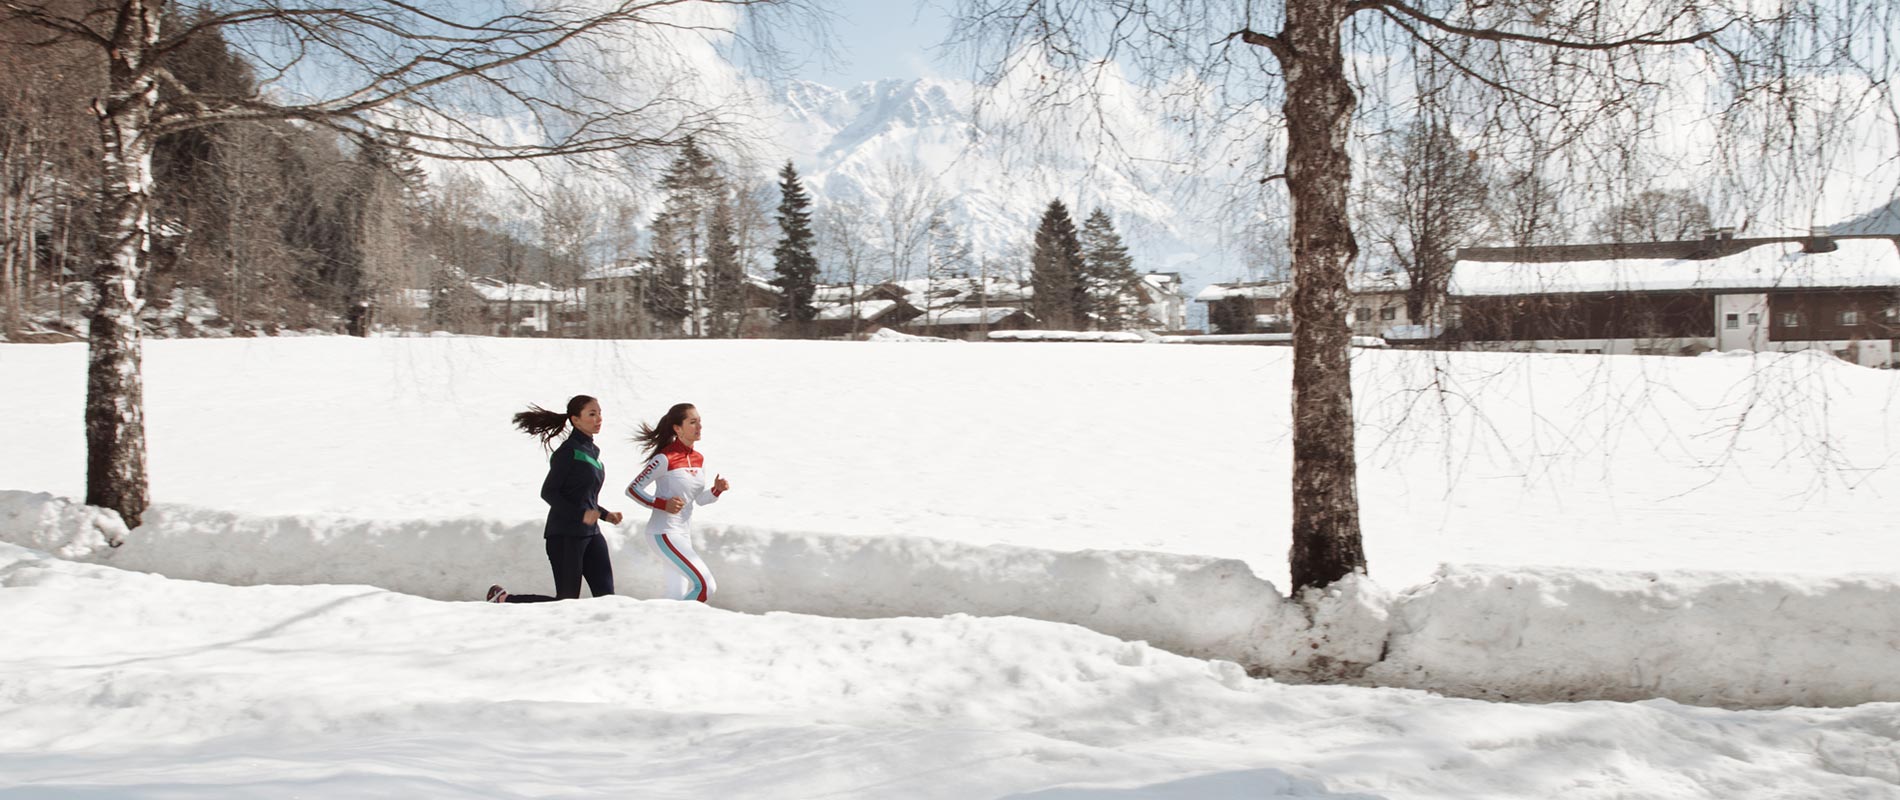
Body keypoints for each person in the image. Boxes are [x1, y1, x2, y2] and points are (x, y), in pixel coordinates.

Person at [486, 395, 623, 603]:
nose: (599, 419)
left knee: (607, 598)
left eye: (600, 413)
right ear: (575, 420)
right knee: (566, 601)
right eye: (592, 414)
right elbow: (549, 492)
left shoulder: (592, 452)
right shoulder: (568, 452)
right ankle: (505, 599)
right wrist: (581, 514)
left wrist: (605, 515)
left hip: (591, 533)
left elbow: (583, 496)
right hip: (565, 535)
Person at [625, 403, 731, 603]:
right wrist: (662, 504)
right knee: (706, 585)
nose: (699, 427)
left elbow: (698, 499)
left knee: (674, 598)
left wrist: (717, 490)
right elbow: (632, 489)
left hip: (682, 533)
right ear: (677, 428)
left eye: (700, 422)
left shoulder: (699, 459)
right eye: (692, 422)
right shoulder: (664, 458)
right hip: (663, 533)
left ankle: (667, 628)